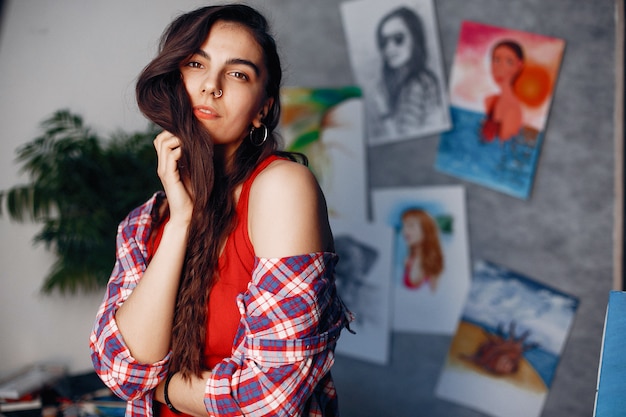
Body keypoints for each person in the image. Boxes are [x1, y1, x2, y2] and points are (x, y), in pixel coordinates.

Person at [89, 4, 351, 417]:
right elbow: (119, 371)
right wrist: (181, 221)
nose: (211, 85)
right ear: (175, 78)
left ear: (262, 108)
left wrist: (163, 390)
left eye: (238, 73)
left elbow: (269, 397)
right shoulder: (143, 223)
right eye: (196, 63)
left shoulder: (281, 188)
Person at [368, 6, 442, 142]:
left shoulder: (417, 84)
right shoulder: (407, 81)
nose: (389, 48)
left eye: (398, 38)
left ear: (415, 38)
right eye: (384, 42)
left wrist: (384, 110)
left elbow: (406, 138)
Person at [481, 40, 525, 143]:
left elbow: (502, 148)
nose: (500, 68)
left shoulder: (513, 110)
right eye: (496, 60)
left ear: (519, 65)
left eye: (509, 61)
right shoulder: (490, 100)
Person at [400, 208, 443, 291]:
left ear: (426, 230)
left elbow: (435, 293)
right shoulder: (407, 261)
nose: (405, 231)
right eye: (404, 226)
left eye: (411, 225)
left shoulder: (433, 262)